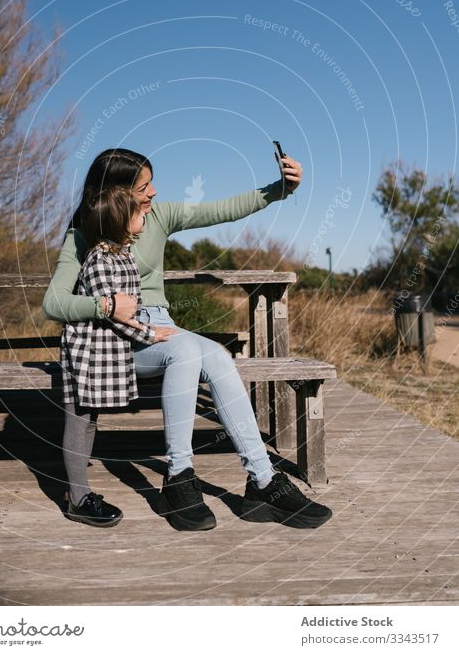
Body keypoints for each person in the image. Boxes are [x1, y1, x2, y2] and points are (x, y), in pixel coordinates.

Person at [43, 148, 332, 531]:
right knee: (184, 350)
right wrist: (106, 305)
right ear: (116, 193)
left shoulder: (158, 217)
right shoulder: (83, 235)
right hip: (119, 340)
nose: (154, 193)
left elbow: (222, 210)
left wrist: (280, 188)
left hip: (162, 328)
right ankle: (179, 478)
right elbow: (54, 302)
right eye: (145, 187)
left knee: (216, 356)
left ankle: (263, 481)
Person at [61, 184, 178, 527]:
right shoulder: (100, 259)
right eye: (139, 213)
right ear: (121, 222)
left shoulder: (122, 254)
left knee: (89, 420)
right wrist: (150, 333)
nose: (147, 213)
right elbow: (116, 314)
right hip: (85, 350)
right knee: (78, 419)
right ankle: (77, 497)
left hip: (102, 350)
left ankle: (78, 492)